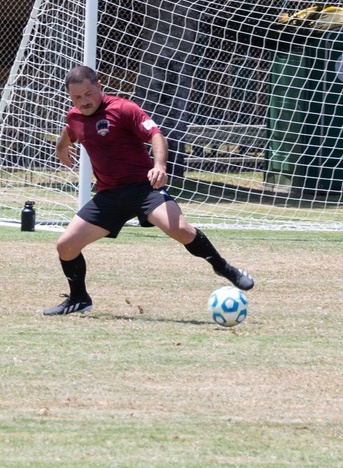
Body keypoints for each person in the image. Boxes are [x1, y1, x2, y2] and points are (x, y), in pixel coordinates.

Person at [44, 65, 254, 316]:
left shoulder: (123, 109)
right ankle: (79, 298)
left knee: (180, 230)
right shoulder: (74, 116)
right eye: (76, 97)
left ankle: (224, 268)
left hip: (144, 189)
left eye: (88, 94)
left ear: (99, 85)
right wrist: (60, 148)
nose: (84, 101)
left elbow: (156, 134)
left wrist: (159, 166)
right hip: (108, 196)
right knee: (65, 246)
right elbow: (69, 133)